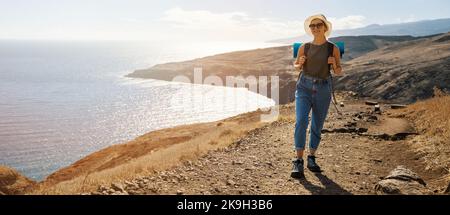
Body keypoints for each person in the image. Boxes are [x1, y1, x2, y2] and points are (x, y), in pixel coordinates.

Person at [291, 14, 344, 179]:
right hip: (304, 86)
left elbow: (338, 71)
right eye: (312, 26)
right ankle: (298, 160)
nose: (315, 28)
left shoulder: (332, 48)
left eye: (318, 25)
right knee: (301, 120)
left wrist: (334, 64)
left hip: (323, 88)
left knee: (317, 123)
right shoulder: (304, 47)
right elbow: (296, 66)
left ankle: (311, 157)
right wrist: (299, 63)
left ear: (325, 27)